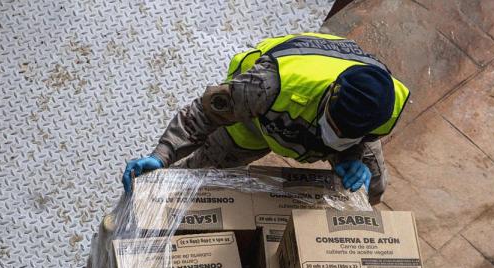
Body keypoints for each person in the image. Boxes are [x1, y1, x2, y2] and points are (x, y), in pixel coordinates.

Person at [121, 32, 409, 204]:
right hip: (258, 121)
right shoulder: (266, 86)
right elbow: (202, 114)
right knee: (191, 178)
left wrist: (352, 156)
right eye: (334, 126)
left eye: (346, 135)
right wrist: (162, 155)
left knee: (371, 184)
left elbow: (364, 138)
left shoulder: (388, 107)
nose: (335, 137)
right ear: (331, 94)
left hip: (341, 124)